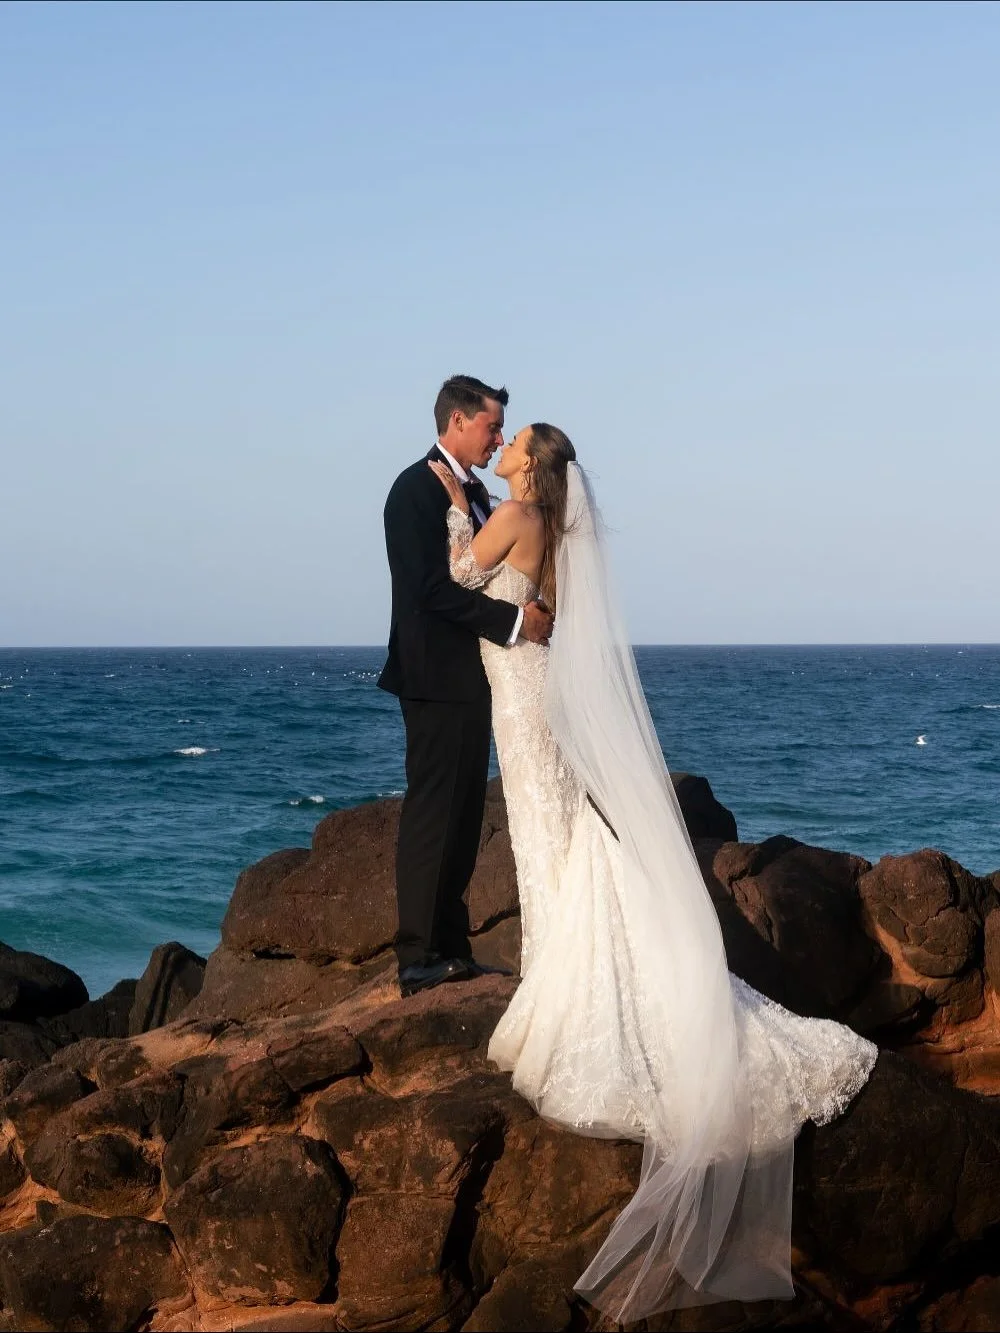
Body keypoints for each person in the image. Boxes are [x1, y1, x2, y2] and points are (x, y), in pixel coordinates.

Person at [429, 424, 878, 1323]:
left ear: (531, 465)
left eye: (515, 440)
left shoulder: (511, 512)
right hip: (535, 679)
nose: (506, 445)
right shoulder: (556, 527)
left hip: (520, 689)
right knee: (556, 835)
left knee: (543, 833)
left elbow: (460, 577)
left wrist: (452, 511)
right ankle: (563, 956)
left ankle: (563, 969)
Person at [378, 375, 553, 998]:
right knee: (433, 814)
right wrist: (513, 623)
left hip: (480, 678)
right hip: (435, 677)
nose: (498, 436)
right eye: (490, 426)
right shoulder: (414, 488)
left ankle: (451, 947)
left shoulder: (474, 492)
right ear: (456, 421)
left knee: (462, 816)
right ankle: (418, 957)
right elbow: (428, 589)